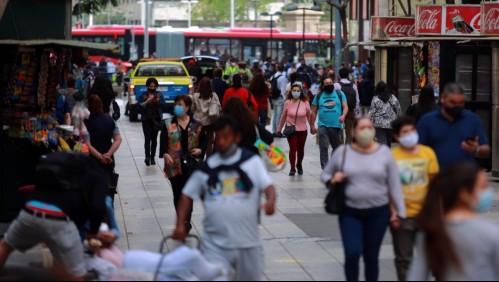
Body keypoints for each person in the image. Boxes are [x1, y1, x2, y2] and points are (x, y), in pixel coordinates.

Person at [171, 116, 277, 281]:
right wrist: (180, 224)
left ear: (237, 137)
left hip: (248, 244)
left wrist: (270, 202)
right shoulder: (206, 168)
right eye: (218, 137)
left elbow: (268, 186)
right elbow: (186, 195)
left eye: (226, 137)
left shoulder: (252, 162)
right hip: (215, 246)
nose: (220, 142)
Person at [321, 117, 406, 282]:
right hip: (350, 212)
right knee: (352, 253)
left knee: (371, 255)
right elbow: (325, 174)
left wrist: (399, 212)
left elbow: (394, 185)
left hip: (378, 212)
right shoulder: (343, 152)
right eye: (362, 128)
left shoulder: (384, 153)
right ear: (353, 131)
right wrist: (333, 179)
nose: (366, 131)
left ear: (374, 131)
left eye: (369, 127)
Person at [0, 153, 108, 279]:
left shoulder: (63, 167)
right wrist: (93, 231)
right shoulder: (99, 177)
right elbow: (98, 207)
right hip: (59, 220)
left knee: (5, 246)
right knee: (76, 273)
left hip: (30, 210)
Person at [408, 163, 499, 281]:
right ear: (465, 193)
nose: (488, 192)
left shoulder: (432, 230)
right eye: (483, 187)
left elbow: (416, 276)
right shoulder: (491, 233)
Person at [390, 116, 439, 281]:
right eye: (405, 132)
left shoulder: (428, 153)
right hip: (403, 216)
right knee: (404, 259)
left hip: (426, 215)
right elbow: (388, 188)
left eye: (412, 130)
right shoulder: (392, 157)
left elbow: (434, 185)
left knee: (430, 258)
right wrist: (393, 213)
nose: (410, 134)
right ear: (397, 136)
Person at [161, 95, 206, 234]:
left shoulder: (197, 124)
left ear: (187, 107)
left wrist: (201, 150)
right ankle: (182, 218)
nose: (177, 107)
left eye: (180, 104)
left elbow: (205, 141)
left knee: (189, 193)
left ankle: (186, 220)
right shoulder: (168, 123)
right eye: (176, 104)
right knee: (177, 193)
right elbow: (163, 141)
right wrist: (165, 154)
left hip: (191, 165)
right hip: (174, 165)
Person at [417, 83, 490, 169]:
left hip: (464, 177)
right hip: (436, 176)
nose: (457, 106)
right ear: (443, 98)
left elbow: (486, 149)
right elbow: (417, 149)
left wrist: (476, 149)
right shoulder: (427, 121)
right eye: (453, 102)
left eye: (461, 103)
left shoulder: (472, 119)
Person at [84, 95, 123, 203]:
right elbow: (118, 139)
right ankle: (108, 213)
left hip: (93, 160)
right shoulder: (109, 120)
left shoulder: (87, 123)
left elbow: (87, 144)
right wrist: (108, 155)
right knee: (108, 187)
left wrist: (100, 157)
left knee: (95, 190)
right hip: (108, 161)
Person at [311, 78, 348, 169]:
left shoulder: (340, 94)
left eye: (330, 83)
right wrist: (312, 125)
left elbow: (345, 107)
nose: (329, 84)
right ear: (323, 86)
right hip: (322, 125)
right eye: (327, 83)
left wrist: (343, 115)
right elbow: (314, 111)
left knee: (336, 147)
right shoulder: (319, 96)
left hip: (336, 125)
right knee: (323, 147)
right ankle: (325, 167)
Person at [278, 84, 313, 176]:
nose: (296, 92)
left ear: (301, 92)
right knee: (292, 149)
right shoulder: (287, 103)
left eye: (298, 91)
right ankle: (292, 167)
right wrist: (279, 128)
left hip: (302, 130)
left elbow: (309, 116)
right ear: (291, 91)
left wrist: (312, 127)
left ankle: (299, 164)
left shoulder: (305, 102)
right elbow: (283, 116)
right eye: (294, 90)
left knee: (300, 150)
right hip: (291, 129)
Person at [139, 78, 167, 166]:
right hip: (146, 119)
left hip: (156, 120)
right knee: (147, 138)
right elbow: (139, 106)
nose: (152, 88)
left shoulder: (159, 94)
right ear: (147, 86)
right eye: (151, 86)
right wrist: (147, 101)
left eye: (154, 86)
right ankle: (147, 157)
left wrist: (158, 101)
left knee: (154, 139)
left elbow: (164, 105)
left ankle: (152, 157)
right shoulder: (143, 95)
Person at [192, 77, 221, 157]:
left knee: (196, 141)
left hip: (198, 122)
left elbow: (192, 108)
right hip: (209, 121)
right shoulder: (214, 95)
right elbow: (219, 106)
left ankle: (197, 158)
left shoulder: (195, 95)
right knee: (209, 141)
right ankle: (208, 159)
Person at [369, 81, 402, 147]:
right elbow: (398, 109)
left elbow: (372, 112)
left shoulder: (375, 99)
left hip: (379, 124)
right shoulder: (392, 97)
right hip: (391, 123)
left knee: (381, 142)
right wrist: (399, 120)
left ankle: (383, 154)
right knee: (388, 142)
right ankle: (387, 154)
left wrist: (370, 122)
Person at [338, 68, 360, 144]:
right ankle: (347, 148)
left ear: (339, 75)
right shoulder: (353, 85)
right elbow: (357, 100)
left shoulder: (336, 85)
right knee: (349, 130)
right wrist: (356, 111)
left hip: (339, 111)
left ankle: (340, 146)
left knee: (338, 129)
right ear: (348, 76)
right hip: (351, 110)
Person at [270, 64, 288, 137]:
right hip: (280, 98)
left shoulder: (273, 76)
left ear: (277, 68)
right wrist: (286, 99)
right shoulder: (283, 78)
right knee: (279, 115)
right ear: (283, 69)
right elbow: (283, 90)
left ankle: (274, 131)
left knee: (275, 114)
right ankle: (278, 131)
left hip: (273, 97)